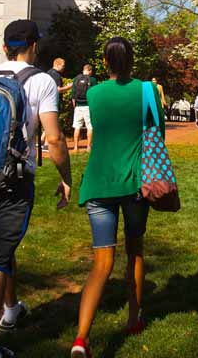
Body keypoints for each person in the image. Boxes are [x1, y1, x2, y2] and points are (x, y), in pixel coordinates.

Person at [0, 19, 73, 358]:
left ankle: (11, 308)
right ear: (34, 46)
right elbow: (54, 138)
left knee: (3, 246)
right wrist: (66, 178)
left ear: (5, 46)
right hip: (15, 181)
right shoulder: (42, 82)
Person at [70, 37, 163, 358]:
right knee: (135, 252)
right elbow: (158, 133)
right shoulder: (147, 91)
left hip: (98, 183)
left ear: (106, 63)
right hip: (134, 184)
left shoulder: (94, 93)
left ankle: (81, 338)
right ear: (132, 60)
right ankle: (134, 318)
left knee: (101, 263)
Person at [43, 58, 71, 149]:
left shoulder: (48, 73)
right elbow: (58, 90)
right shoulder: (56, 75)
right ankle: (47, 144)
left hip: (46, 100)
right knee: (53, 123)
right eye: (63, 66)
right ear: (57, 65)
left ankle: (42, 140)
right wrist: (69, 87)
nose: (64, 68)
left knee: (48, 122)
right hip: (54, 101)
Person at [71, 64, 97, 153]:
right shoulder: (92, 80)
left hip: (78, 106)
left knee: (77, 126)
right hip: (88, 106)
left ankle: (75, 147)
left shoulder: (76, 79)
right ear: (90, 71)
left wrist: (75, 105)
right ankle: (88, 147)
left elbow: (73, 95)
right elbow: (94, 94)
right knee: (90, 126)